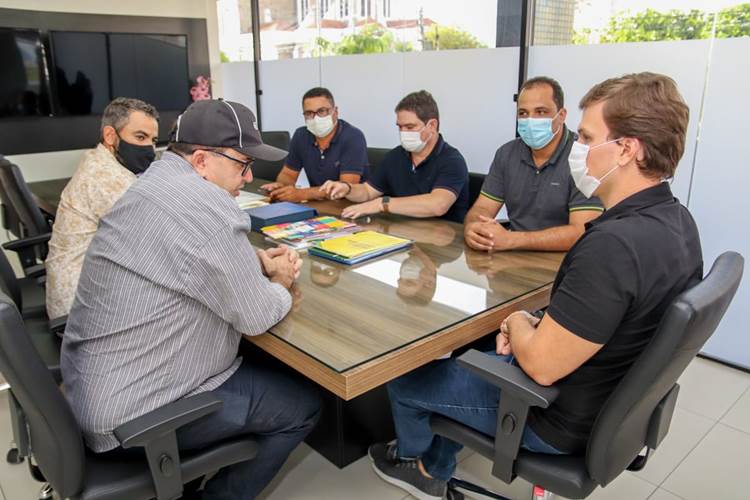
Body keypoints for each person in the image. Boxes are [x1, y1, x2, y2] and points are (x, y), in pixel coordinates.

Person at [369, 72, 703, 500]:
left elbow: (542, 367)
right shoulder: (678, 221)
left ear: (626, 149)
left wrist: (515, 320)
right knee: (475, 354)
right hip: (609, 400)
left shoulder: (611, 245)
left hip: (554, 414)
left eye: (587, 138)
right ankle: (441, 453)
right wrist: (534, 320)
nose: (578, 149)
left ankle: (418, 468)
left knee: (405, 381)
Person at [60, 99, 321, 500]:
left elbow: (178, 254)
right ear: (201, 160)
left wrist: (252, 261)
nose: (249, 177)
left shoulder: (153, 183)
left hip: (92, 389)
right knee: (302, 407)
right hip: (135, 416)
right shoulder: (206, 205)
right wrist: (282, 281)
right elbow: (257, 316)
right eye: (243, 164)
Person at [45, 97, 159, 319]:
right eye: (140, 137)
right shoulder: (105, 178)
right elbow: (153, 238)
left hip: (81, 293)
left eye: (153, 140)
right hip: (81, 311)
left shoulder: (98, 160)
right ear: (110, 136)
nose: (150, 148)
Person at [464, 77, 603, 252]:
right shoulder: (506, 154)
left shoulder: (583, 156)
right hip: (511, 256)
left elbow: (581, 231)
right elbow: (483, 208)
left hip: (565, 260)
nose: (530, 120)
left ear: (561, 115)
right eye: (523, 113)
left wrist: (512, 239)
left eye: (541, 112)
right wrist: (473, 228)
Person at [321, 90, 470, 223]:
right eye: (400, 127)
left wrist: (382, 204)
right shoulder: (395, 156)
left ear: (432, 125)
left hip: (443, 238)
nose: (403, 132)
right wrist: (347, 188)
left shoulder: (452, 160)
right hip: (402, 231)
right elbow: (368, 191)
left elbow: (437, 205)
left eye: (410, 127)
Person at [260, 87, 367, 202]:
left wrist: (302, 194)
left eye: (322, 111)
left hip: (350, 205)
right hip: (318, 202)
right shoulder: (301, 135)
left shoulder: (353, 137)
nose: (315, 118)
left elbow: (345, 187)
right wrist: (281, 187)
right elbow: (288, 174)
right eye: (309, 113)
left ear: (335, 112)